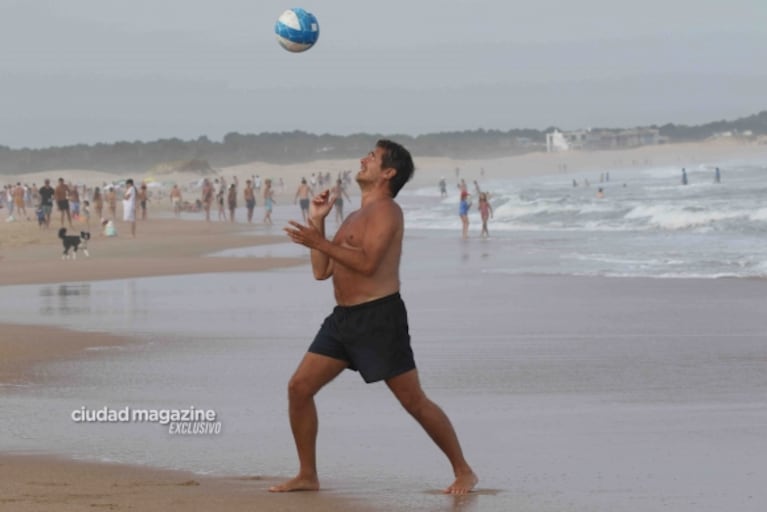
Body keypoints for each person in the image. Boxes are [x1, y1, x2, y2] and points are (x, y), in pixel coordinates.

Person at [276, 139, 477, 495]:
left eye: (372, 158)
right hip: (343, 321)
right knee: (299, 387)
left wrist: (318, 242)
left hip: (379, 318)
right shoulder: (353, 216)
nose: (363, 160)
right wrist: (318, 225)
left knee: (413, 401)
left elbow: (368, 265)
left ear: (388, 173)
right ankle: (307, 474)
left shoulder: (387, 211)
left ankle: (463, 471)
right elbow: (321, 271)